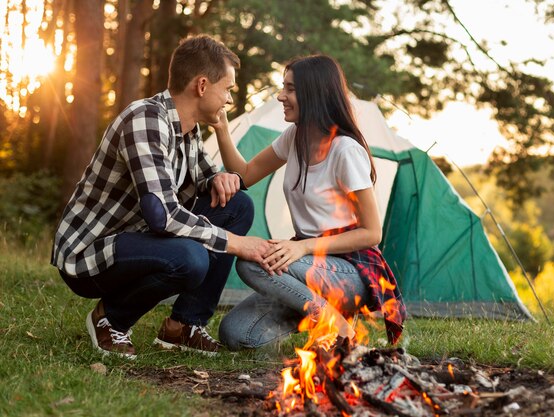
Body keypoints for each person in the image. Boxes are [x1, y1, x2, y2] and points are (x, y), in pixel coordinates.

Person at [51, 35, 271, 359]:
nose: (228, 100)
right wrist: (237, 243)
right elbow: (162, 214)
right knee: (191, 258)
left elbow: (203, 177)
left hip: (137, 239)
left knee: (237, 205)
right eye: (227, 89)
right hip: (91, 252)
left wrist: (218, 179)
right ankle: (110, 318)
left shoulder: (189, 129)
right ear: (201, 85)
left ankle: (184, 326)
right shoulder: (146, 119)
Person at [215, 55, 407, 350]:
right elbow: (246, 174)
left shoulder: (345, 151)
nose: (281, 96)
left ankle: (335, 322)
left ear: (314, 93)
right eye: (283, 87)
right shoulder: (295, 136)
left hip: (348, 271)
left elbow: (371, 234)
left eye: (290, 89)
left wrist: (302, 246)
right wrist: (221, 129)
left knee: (252, 263)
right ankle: (315, 312)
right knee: (235, 334)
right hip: (308, 269)